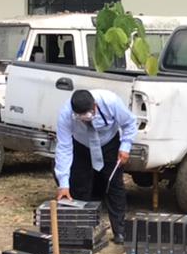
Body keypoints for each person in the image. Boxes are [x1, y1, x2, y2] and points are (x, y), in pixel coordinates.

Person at [54, 88, 136, 243]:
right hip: (81, 144)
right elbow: (64, 147)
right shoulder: (66, 114)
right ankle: (82, 232)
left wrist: (125, 146)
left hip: (109, 142)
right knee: (80, 185)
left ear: (95, 105)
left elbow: (129, 123)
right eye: (81, 116)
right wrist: (63, 184)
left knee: (114, 185)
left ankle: (120, 231)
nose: (86, 118)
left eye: (89, 114)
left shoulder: (111, 101)